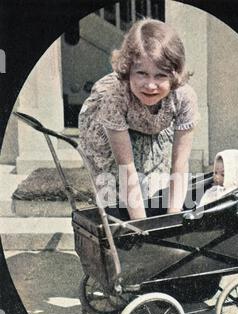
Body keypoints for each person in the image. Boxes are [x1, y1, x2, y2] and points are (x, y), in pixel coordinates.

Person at [78, 18, 199, 220]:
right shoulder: (115, 97)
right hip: (112, 132)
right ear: (128, 70)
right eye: (141, 73)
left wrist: (172, 221)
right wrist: (142, 228)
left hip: (154, 125)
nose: (150, 85)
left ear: (175, 75)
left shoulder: (184, 97)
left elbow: (180, 164)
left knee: (155, 189)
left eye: (160, 75)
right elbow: (126, 167)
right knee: (114, 193)